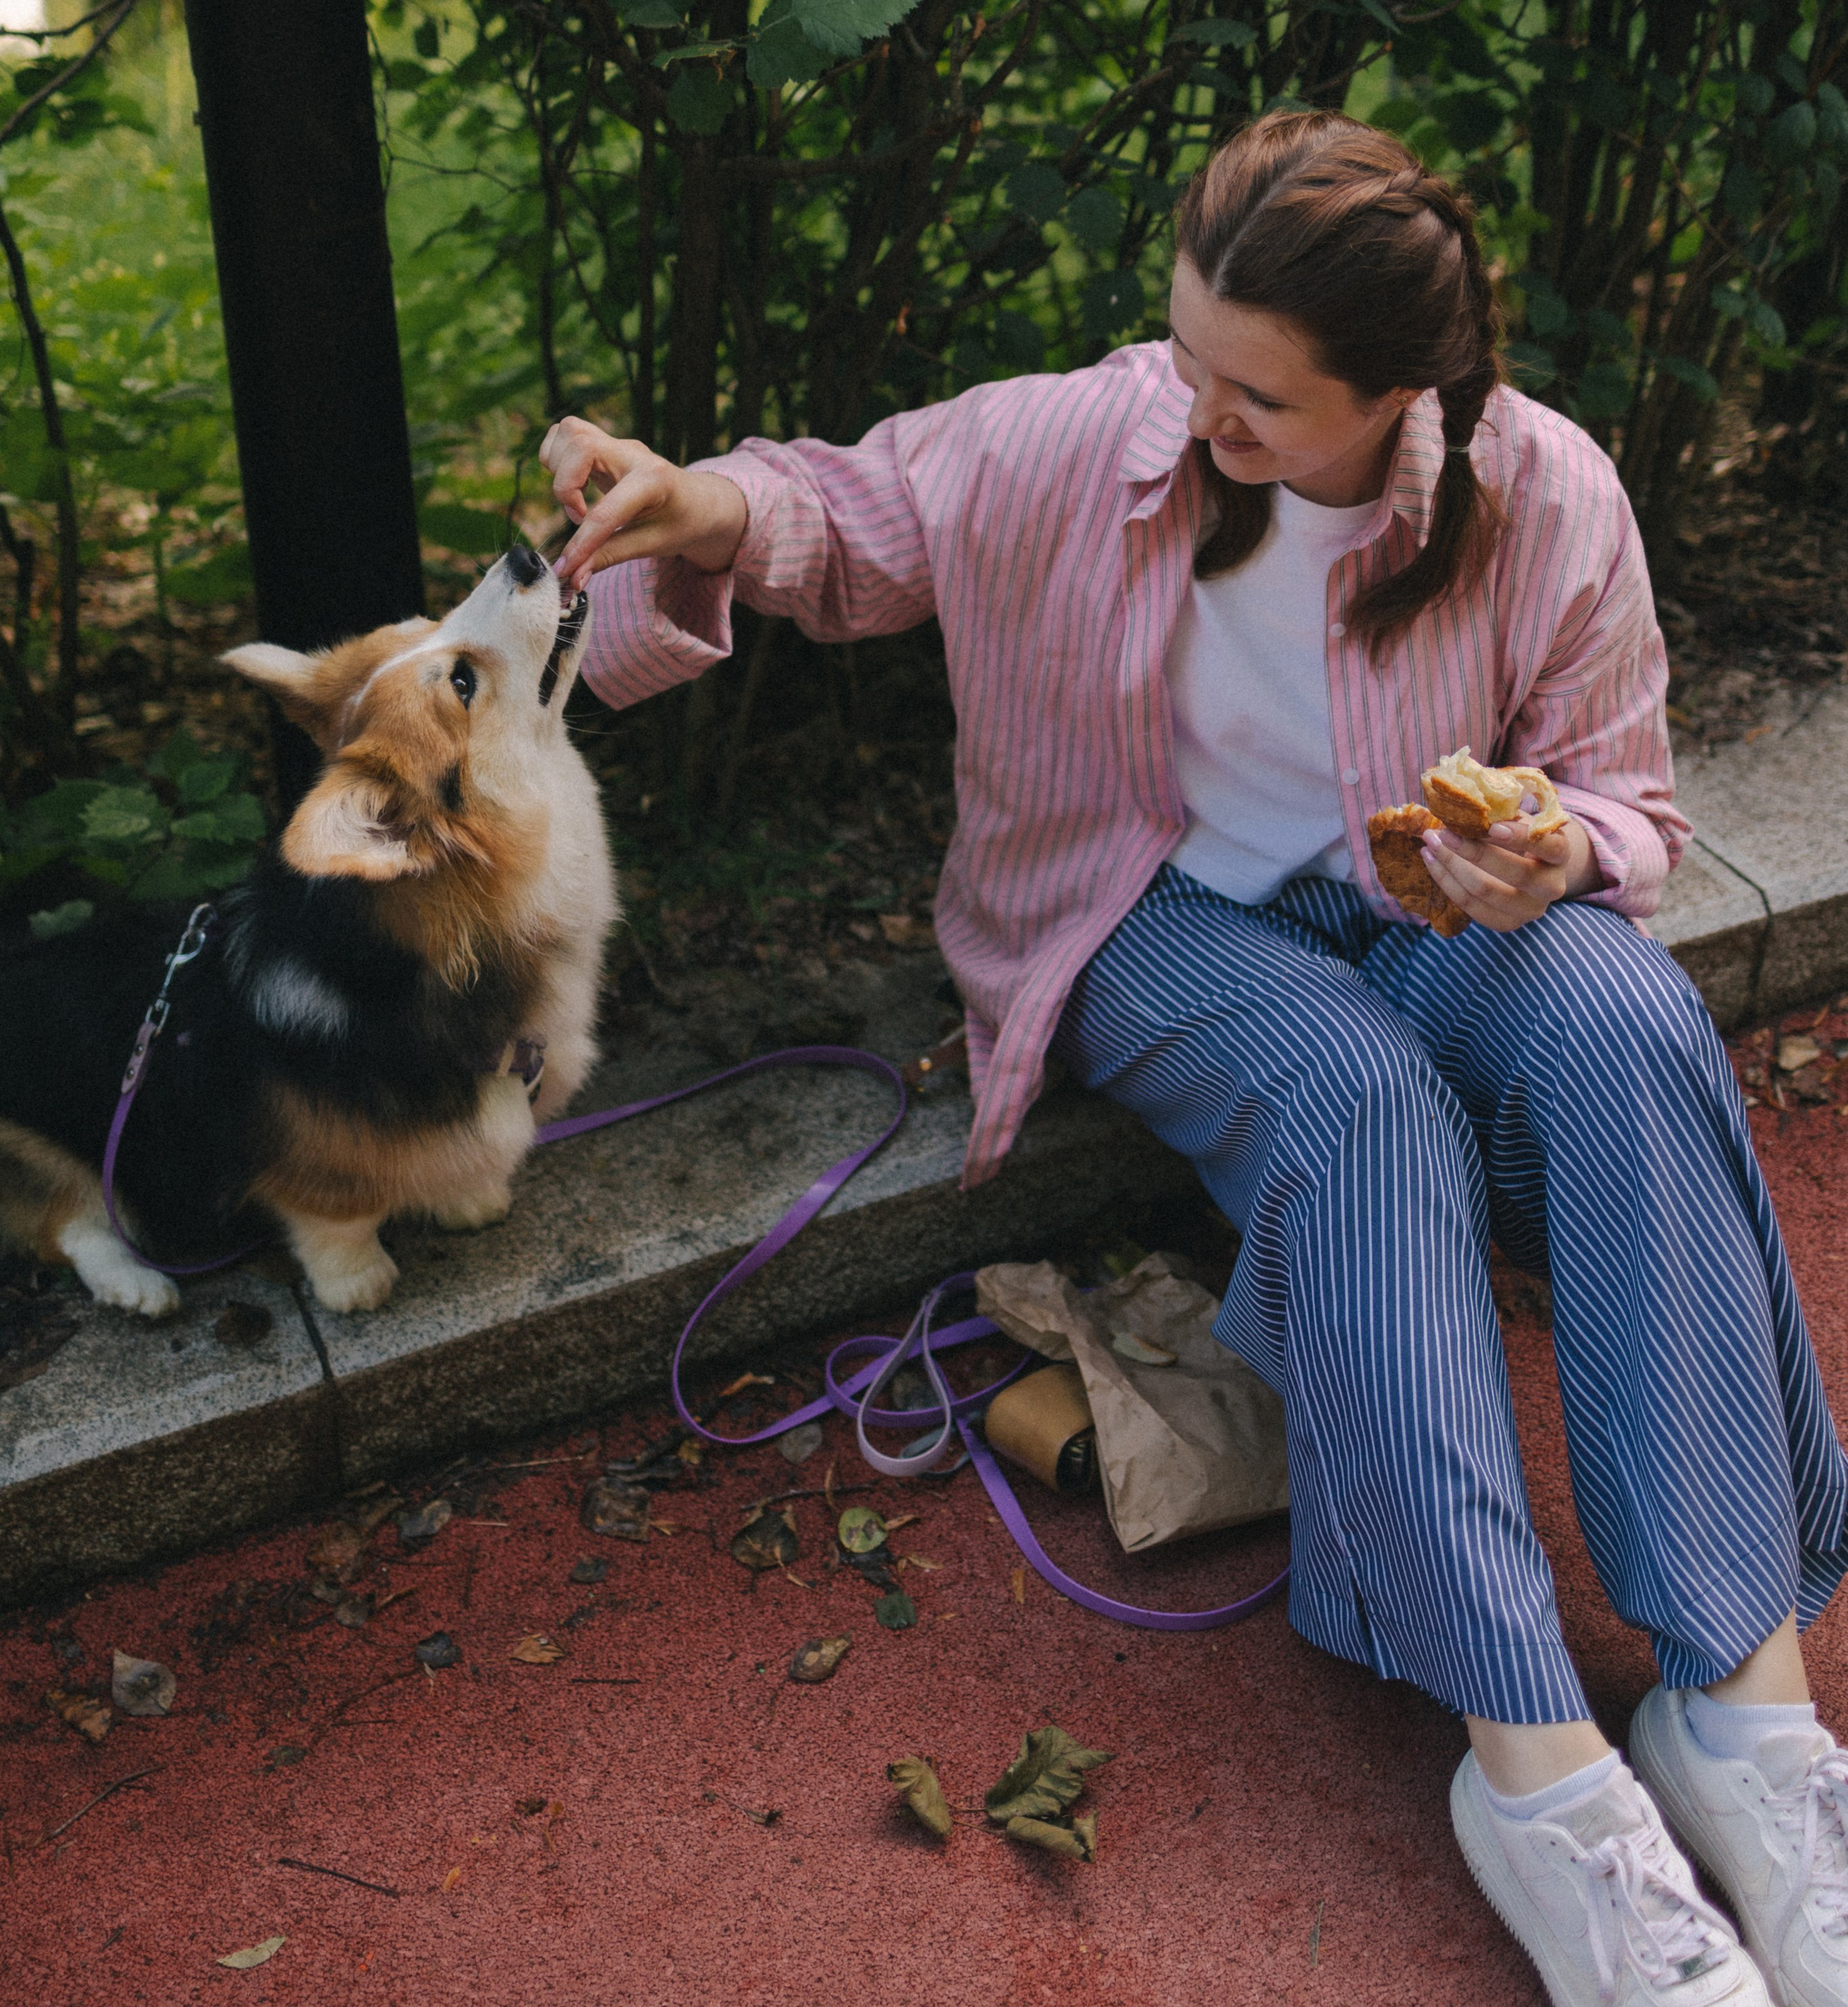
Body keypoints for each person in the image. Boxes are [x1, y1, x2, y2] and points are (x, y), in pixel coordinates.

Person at [542, 109, 1848, 2007]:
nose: (1200, 414)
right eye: (1187, 357)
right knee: (1359, 1104)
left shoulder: (1543, 489)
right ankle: (1541, 1787)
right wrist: (700, 500)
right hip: (1152, 916)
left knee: (1631, 1019)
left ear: (1406, 395)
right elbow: (862, 510)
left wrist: (1556, 850)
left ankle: (1752, 1732)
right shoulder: (1093, 436)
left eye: (1261, 399)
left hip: (1429, 916)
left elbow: (1625, 799)